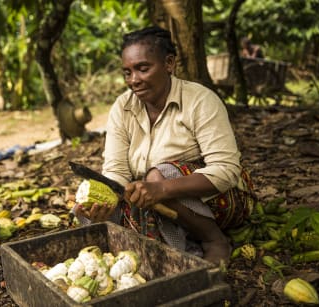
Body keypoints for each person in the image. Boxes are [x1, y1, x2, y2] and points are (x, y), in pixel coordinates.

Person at [74, 26, 257, 266]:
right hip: (156, 203)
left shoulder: (200, 100)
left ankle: (214, 241)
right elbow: (116, 171)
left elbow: (226, 170)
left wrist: (164, 188)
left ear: (169, 63)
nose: (133, 81)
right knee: (87, 211)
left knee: (158, 174)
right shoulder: (123, 107)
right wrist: (102, 202)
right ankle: (176, 247)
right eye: (127, 73)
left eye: (142, 69)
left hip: (219, 201)